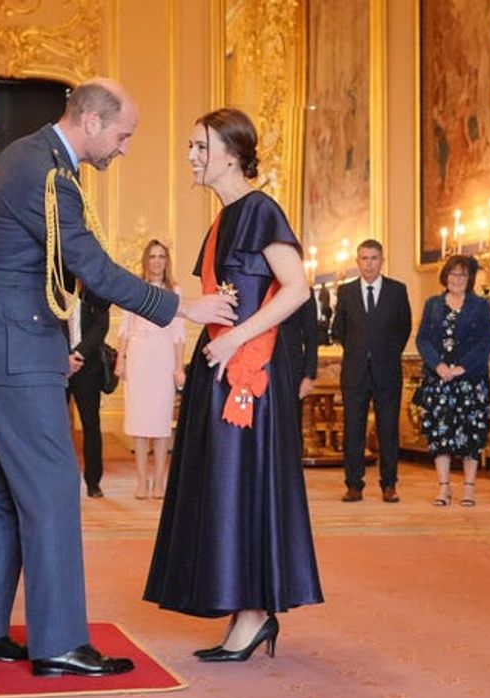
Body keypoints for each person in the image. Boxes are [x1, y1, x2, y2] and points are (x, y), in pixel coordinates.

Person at [0, 78, 237, 678]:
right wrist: (182, 306)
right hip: (16, 352)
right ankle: (58, 645)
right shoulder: (48, 173)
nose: (125, 147)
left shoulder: (33, 157)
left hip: (0, 345)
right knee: (54, 491)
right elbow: (93, 268)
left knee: (6, 498)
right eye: (123, 135)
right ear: (90, 122)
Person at [144, 108, 323, 662]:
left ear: (232, 152)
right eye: (191, 146)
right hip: (218, 364)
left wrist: (231, 339)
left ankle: (253, 614)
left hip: (250, 375)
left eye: (201, 146)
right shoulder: (223, 219)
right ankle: (241, 609)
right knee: (222, 487)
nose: (192, 156)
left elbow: (296, 289)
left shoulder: (261, 210)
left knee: (243, 485)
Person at [331, 239, 412, 503]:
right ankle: (354, 485)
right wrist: (359, 351)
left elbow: (404, 328)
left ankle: (389, 485)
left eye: (374, 258)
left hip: (387, 371)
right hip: (355, 373)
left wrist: (384, 352)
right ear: (357, 262)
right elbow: (338, 330)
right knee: (353, 430)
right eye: (364, 258)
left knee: (388, 430)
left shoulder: (397, 291)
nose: (369, 263)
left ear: (382, 260)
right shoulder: (346, 292)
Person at [415, 255, 490, 507]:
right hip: (439, 380)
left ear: (469, 278)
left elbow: (485, 341)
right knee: (441, 434)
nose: (456, 279)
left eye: (462, 274)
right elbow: (423, 339)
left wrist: (462, 368)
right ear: (445, 276)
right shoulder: (433, 304)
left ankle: (469, 489)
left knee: (471, 435)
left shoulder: (480, 306)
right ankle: (443, 488)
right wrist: (437, 365)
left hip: (470, 381)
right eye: (452, 274)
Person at [115, 239, 185, 499]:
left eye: (161, 256)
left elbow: (178, 334)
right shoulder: (136, 288)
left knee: (160, 425)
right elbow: (124, 328)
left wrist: (179, 367)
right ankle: (141, 482)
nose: (157, 261)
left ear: (166, 261)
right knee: (140, 425)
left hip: (163, 358)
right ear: (146, 260)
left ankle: (159, 483)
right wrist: (120, 359)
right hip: (138, 357)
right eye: (152, 256)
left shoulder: (174, 291)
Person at [66, 289, 110, 499]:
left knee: (91, 425)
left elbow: (101, 324)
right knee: (54, 427)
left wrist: (78, 354)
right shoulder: (50, 286)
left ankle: (93, 482)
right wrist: (63, 358)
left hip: (88, 366)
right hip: (56, 367)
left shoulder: (95, 288)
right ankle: (59, 482)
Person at [279, 287, 318, 428]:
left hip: (292, 369)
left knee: (291, 425)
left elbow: (311, 337)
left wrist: (309, 376)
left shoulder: (304, 291)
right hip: (260, 365)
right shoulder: (261, 285)